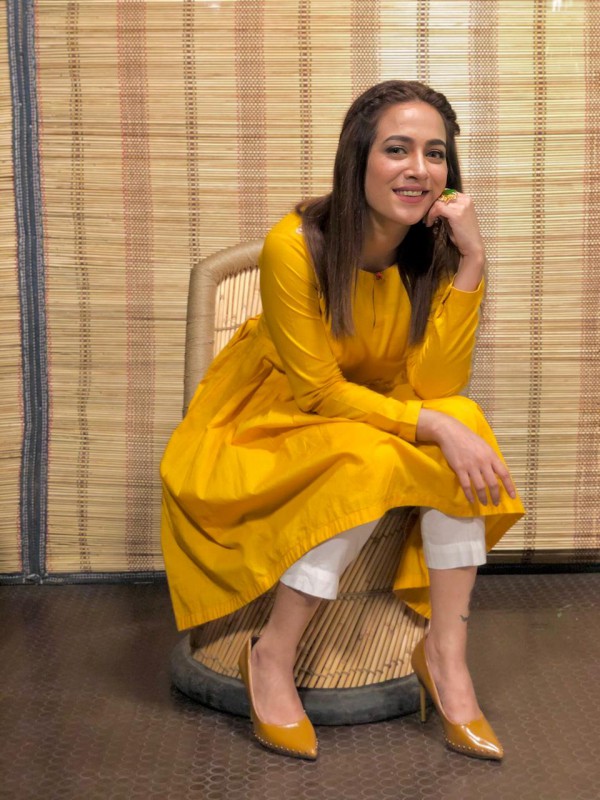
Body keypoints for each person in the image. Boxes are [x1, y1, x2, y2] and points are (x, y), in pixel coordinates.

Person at [160, 80, 524, 762]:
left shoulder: (433, 247)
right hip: (274, 413)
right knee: (374, 455)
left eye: (435, 154)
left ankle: (445, 655)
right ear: (358, 158)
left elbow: (437, 386)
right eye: (397, 149)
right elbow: (320, 393)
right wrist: (433, 426)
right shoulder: (295, 245)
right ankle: (272, 654)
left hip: (371, 407)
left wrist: (473, 260)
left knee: (463, 418)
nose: (419, 168)